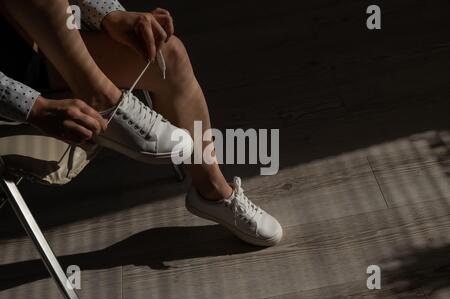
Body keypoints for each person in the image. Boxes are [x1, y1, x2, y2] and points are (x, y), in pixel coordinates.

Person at [0, 0, 282, 246]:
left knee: (169, 54)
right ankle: (102, 97)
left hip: (35, 47)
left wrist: (109, 15)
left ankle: (213, 193)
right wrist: (32, 107)